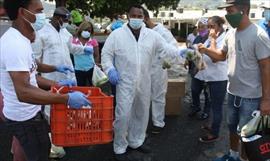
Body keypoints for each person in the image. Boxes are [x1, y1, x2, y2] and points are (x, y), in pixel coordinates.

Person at [1, 1, 91, 161]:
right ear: (23, 13)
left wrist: (56, 83)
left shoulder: (23, 39)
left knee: (31, 150)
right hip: (24, 118)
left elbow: (32, 72)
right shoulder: (14, 44)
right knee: (37, 153)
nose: (43, 15)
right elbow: (23, 92)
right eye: (39, 10)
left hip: (31, 113)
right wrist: (66, 99)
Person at [101, 4, 186, 161]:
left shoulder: (151, 35)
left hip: (145, 81)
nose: (137, 19)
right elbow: (106, 55)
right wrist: (110, 70)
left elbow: (166, 50)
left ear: (144, 18)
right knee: (123, 115)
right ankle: (119, 146)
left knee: (141, 113)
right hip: (124, 82)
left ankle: (136, 141)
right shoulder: (117, 35)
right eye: (134, 16)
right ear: (128, 16)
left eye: (140, 16)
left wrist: (181, 52)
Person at [198, 0, 270, 160]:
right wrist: (206, 50)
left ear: (243, 11)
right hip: (232, 93)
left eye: (230, 11)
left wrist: (266, 100)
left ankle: (244, 158)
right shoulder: (231, 33)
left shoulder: (258, 35)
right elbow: (221, 56)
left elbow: (266, 68)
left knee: (248, 135)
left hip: (251, 97)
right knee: (232, 129)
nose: (226, 15)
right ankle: (232, 155)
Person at [31, 6, 93, 159]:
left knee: (66, 108)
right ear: (58, 18)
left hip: (68, 77)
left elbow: (71, 48)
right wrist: (37, 80)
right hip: (50, 78)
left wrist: (83, 49)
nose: (67, 23)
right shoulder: (42, 34)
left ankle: (64, 136)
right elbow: (35, 59)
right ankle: (53, 144)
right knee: (50, 111)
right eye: (65, 20)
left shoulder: (65, 33)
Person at [143, 8, 179, 134]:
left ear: (146, 19)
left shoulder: (162, 31)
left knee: (158, 96)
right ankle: (142, 122)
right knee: (142, 96)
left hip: (158, 68)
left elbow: (174, 48)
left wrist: (166, 61)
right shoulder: (141, 32)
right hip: (143, 69)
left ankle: (158, 123)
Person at [194, 16, 228, 143]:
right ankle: (212, 125)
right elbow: (207, 51)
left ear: (220, 26)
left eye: (212, 26)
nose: (209, 29)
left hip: (218, 78)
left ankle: (214, 133)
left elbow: (216, 57)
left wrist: (209, 45)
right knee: (212, 104)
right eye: (208, 26)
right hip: (209, 77)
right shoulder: (211, 37)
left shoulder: (224, 38)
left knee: (217, 107)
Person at [188, 17, 210, 120]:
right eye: (199, 27)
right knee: (194, 90)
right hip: (196, 70)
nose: (200, 29)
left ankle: (206, 111)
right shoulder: (197, 38)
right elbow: (192, 51)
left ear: (208, 27)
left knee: (207, 93)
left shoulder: (211, 38)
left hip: (207, 71)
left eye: (203, 27)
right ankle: (196, 107)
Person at [72, 21, 100, 86]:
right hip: (78, 69)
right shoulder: (74, 41)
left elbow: (96, 55)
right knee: (80, 88)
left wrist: (96, 66)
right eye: (85, 30)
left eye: (89, 31)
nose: (87, 32)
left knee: (93, 87)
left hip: (91, 69)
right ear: (81, 30)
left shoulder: (93, 41)